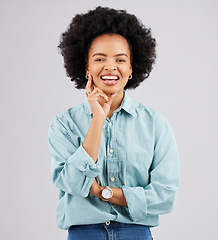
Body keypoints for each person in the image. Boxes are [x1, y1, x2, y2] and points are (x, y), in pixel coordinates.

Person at [48, 6, 180, 240]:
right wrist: (98, 119)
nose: (110, 67)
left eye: (120, 59)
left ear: (131, 68)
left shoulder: (155, 124)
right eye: (100, 59)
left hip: (136, 233)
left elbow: (165, 196)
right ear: (87, 66)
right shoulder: (64, 125)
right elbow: (73, 183)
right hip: (84, 234)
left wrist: (104, 193)